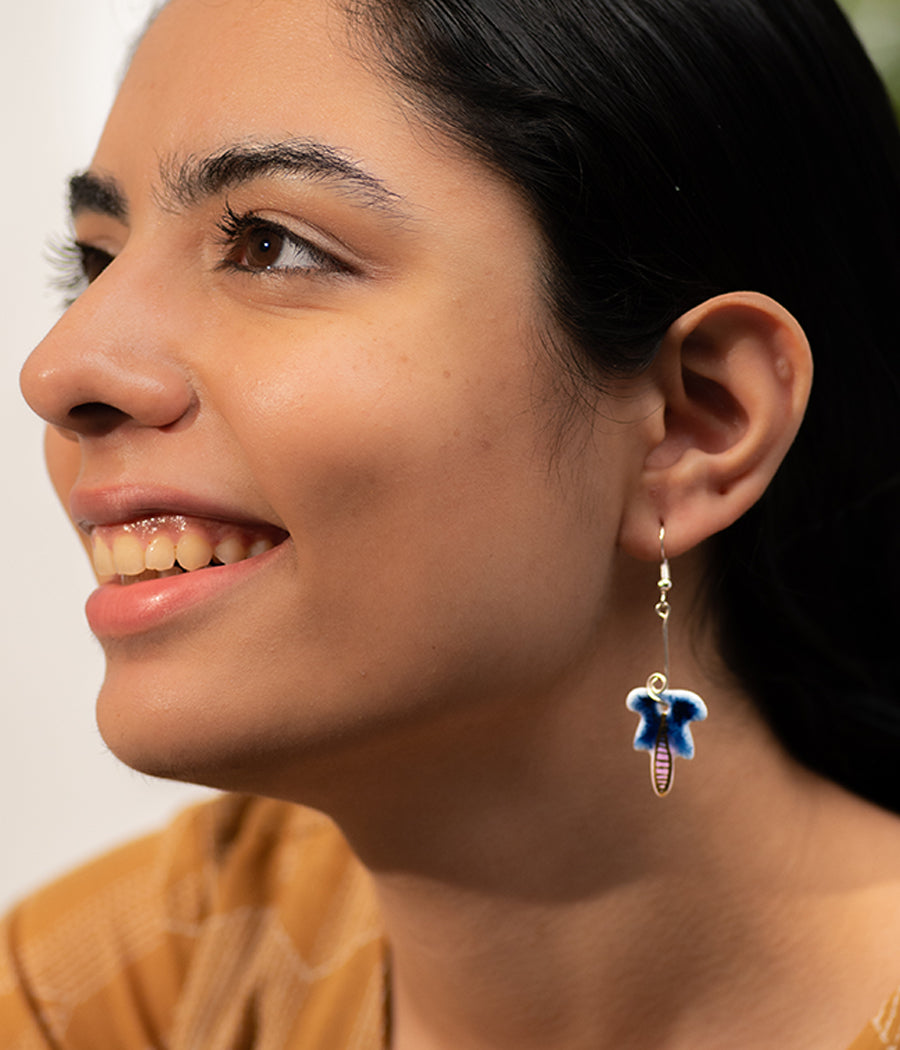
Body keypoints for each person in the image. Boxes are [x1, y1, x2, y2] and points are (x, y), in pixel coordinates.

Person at [4, 0, 900, 1046]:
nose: (58, 370)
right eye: (97, 260)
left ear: (697, 424)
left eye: (270, 246)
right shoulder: (119, 995)